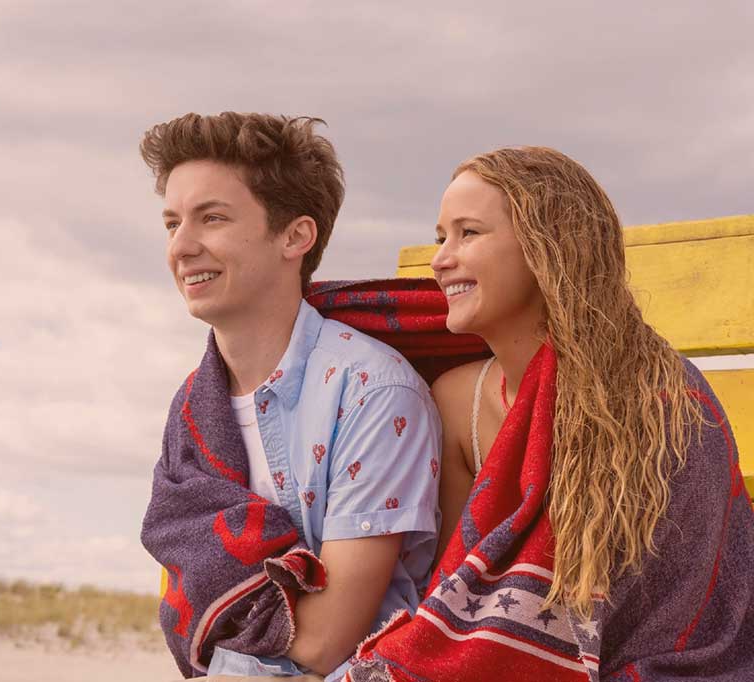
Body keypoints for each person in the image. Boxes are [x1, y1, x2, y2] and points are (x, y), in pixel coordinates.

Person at [345, 146, 754, 681]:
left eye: (468, 233)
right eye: (440, 235)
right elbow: (456, 592)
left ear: (549, 248)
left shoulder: (658, 401)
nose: (441, 259)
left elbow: (680, 603)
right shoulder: (454, 399)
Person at [138, 113, 442, 680]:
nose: (182, 246)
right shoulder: (192, 410)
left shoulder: (373, 392)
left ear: (295, 236)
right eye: (172, 222)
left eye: (213, 218)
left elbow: (325, 642)